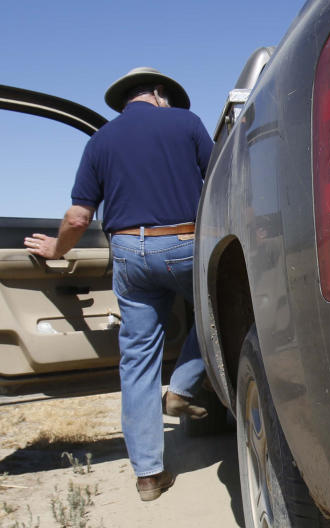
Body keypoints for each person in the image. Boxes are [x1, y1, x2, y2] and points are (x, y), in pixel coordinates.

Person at [25, 67, 215, 502]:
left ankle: (148, 475)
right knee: (215, 318)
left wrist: (57, 249)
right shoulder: (186, 123)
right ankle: (183, 390)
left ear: (125, 100)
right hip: (183, 242)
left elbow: (78, 217)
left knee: (138, 360)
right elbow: (221, 179)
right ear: (160, 93)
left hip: (128, 251)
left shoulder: (101, 140)